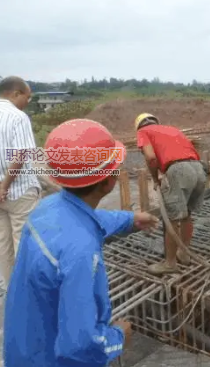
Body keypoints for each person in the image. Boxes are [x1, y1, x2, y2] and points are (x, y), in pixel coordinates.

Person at [3, 118, 159, 367]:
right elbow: (80, 346)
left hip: (24, 347)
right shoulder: (81, 253)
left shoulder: (46, 208)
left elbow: (90, 219)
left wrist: (130, 219)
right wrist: (118, 336)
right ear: (109, 181)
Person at [135, 112, 207, 275]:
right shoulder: (172, 129)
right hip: (198, 168)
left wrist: (155, 178)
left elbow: (151, 158)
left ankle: (170, 263)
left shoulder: (143, 132)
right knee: (187, 214)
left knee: (171, 219)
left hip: (178, 170)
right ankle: (184, 254)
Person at [0, 76, 41, 286]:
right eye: (28, 97)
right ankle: (26, 294)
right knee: (24, 243)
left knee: (3, 247)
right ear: (16, 93)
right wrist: (4, 186)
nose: (28, 102)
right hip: (18, 191)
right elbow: (21, 154)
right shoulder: (18, 117)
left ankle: (9, 292)